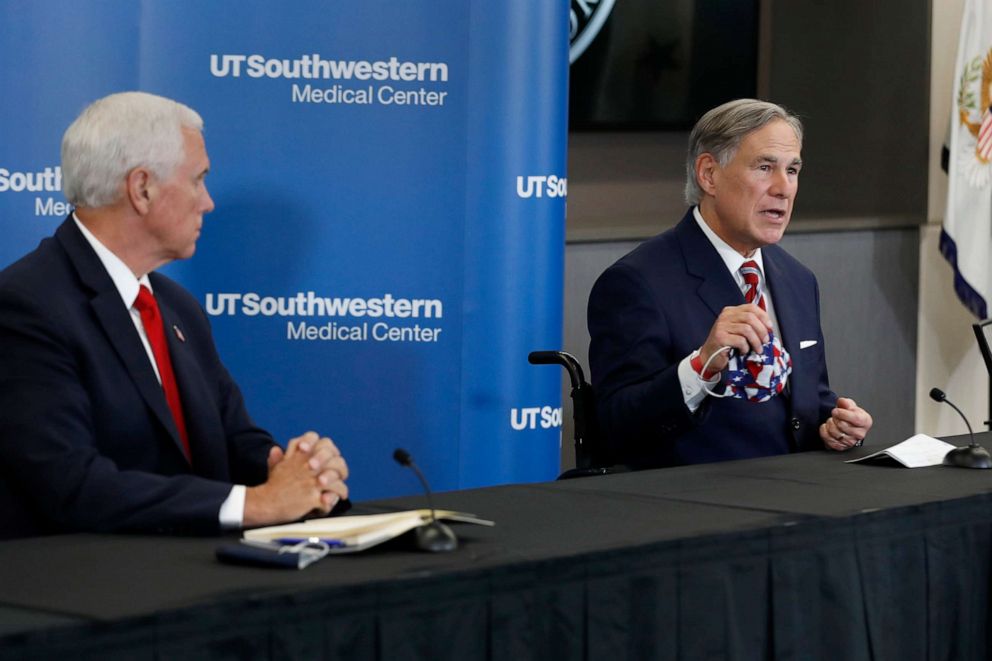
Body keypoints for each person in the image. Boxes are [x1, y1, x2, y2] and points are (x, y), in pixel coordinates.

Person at [0, 92, 349, 539]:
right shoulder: (26, 306)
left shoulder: (176, 305)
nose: (207, 203)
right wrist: (257, 504)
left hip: (197, 580)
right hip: (86, 593)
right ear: (142, 188)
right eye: (198, 180)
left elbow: (233, 438)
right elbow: (71, 486)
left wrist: (293, 471)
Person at [587, 98, 872, 470]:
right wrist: (701, 364)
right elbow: (617, 425)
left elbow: (807, 406)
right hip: (696, 500)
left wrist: (835, 426)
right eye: (765, 167)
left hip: (799, 493)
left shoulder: (798, 279)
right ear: (709, 175)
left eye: (793, 170)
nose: (783, 188)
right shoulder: (636, 282)